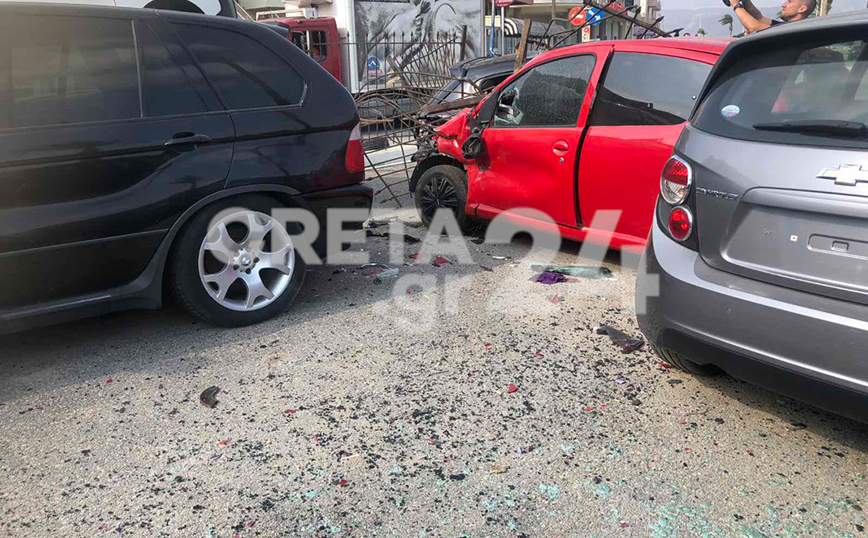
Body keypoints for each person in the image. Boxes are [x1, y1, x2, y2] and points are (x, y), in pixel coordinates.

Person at [728, 0, 816, 34]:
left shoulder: (794, 31)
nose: (783, 4)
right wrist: (745, 1)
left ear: (802, 9)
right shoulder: (785, 27)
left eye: (789, 1)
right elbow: (759, 18)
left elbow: (754, 27)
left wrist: (735, 5)